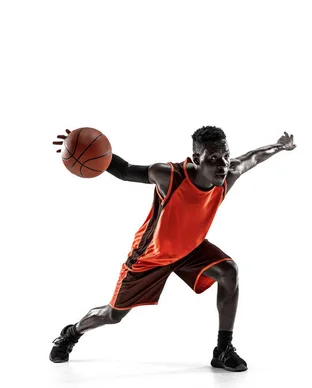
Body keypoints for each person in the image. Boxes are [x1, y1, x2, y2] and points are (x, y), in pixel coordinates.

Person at [50, 126, 296, 372]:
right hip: (151, 256)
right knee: (112, 316)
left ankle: (223, 349)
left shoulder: (228, 173)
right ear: (196, 159)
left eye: (225, 156)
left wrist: (279, 146)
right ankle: (71, 333)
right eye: (212, 158)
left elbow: (253, 156)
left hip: (191, 249)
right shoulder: (169, 176)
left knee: (229, 271)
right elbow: (125, 171)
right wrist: (84, 147)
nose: (221, 164)